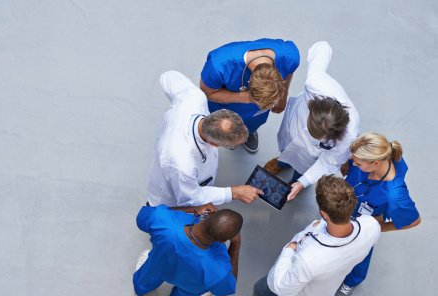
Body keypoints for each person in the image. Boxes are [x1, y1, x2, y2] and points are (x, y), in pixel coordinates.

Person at [217, 175, 380, 296]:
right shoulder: (371, 226)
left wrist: (288, 251)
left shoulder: (309, 259)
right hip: (329, 275)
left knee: (262, 290)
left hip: (301, 274)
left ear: (324, 213)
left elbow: (281, 287)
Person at [146, 70, 263, 208]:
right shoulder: (182, 163)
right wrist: (234, 193)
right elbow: (191, 197)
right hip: (170, 201)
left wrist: (178, 106)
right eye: (232, 146)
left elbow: (168, 76)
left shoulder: (194, 98)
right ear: (213, 143)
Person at [264, 41, 359, 201]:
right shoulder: (315, 84)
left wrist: (302, 183)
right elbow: (323, 47)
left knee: (302, 169)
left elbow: (329, 163)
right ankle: (281, 163)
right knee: (286, 151)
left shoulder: (348, 136)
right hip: (292, 130)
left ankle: (296, 180)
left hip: (311, 156)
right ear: (311, 103)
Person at [332, 133, 421, 296]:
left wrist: (377, 227)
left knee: (362, 250)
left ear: (375, 163)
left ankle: (352, 281)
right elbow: (352, 154)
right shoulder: (377, 148)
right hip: (348, 203)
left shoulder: (394, 195)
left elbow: (413, 221)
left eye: (357, 162)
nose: (353, 161)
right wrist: (346, 162)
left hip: (365, 218)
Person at [133, 203, 242, 296]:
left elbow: (142, 217)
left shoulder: (164, 221)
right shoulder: (218, 269)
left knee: (150, 272)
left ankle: (141, 290)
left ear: (210, 214)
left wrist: (193, 209)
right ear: (223, 240)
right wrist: (236, 245)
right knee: (191, 291)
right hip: (191, 283)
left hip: (160, 264)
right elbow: (222, 293)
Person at [200, 38, 300, 152]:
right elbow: (207, 93)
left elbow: (289, 71)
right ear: (248, 82)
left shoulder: (290, 57)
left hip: (253, 110)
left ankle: (248, 133)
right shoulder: (219, 67)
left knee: (253, 122)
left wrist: (283, 97)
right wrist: (245, 98)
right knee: (224, 128)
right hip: (225, 104)